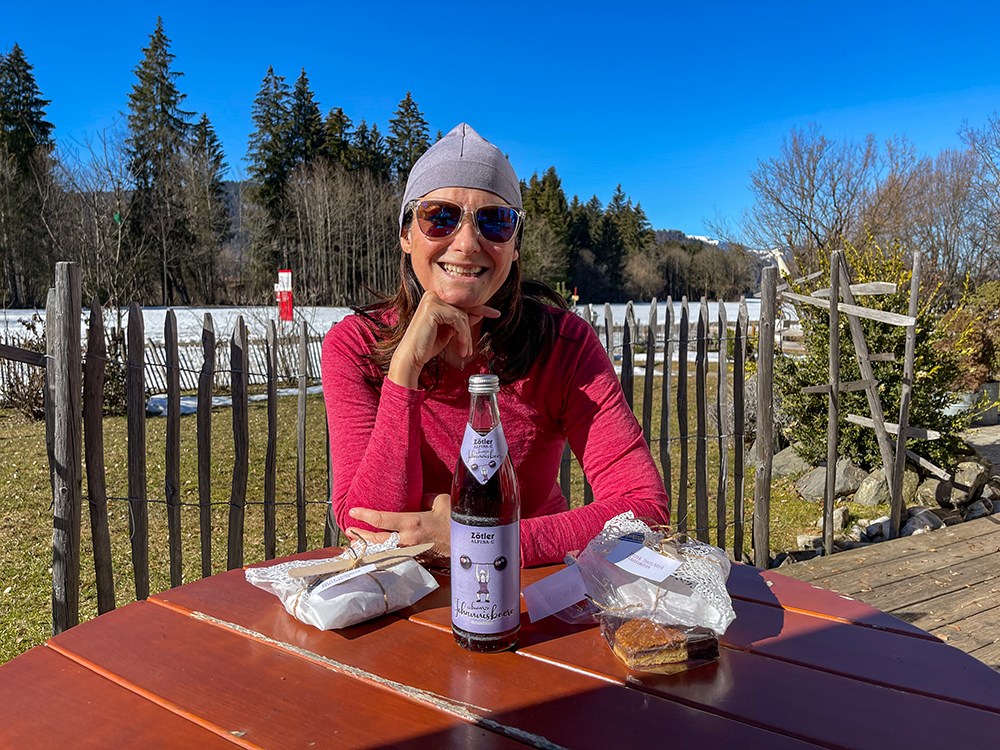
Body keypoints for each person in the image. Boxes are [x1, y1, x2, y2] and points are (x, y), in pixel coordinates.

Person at [322, 123, 668, 566]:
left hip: (530, 590)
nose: (467, 243)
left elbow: (645, 510)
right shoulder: (356, 347)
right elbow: (368, 530)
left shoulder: (563, 343)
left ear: (515, 246)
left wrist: (482, 542)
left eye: (495, 222)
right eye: (439, 216)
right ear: (407, 235)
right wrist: (404, 370)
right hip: (400, 600)